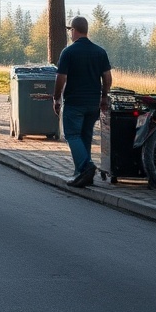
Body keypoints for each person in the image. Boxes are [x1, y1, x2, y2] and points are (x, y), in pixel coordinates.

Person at [54, 16, 112, 188]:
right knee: (85, 136)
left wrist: (56, 98)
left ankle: (86, 167)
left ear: (73, 30)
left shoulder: (68, 52)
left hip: (74, 102)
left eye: (70, 30)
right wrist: (103, 96)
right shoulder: (99, 52)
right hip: (93, 103)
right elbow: (107, 77)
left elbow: (61, 78)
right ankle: (82, 174)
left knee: (72, 135)